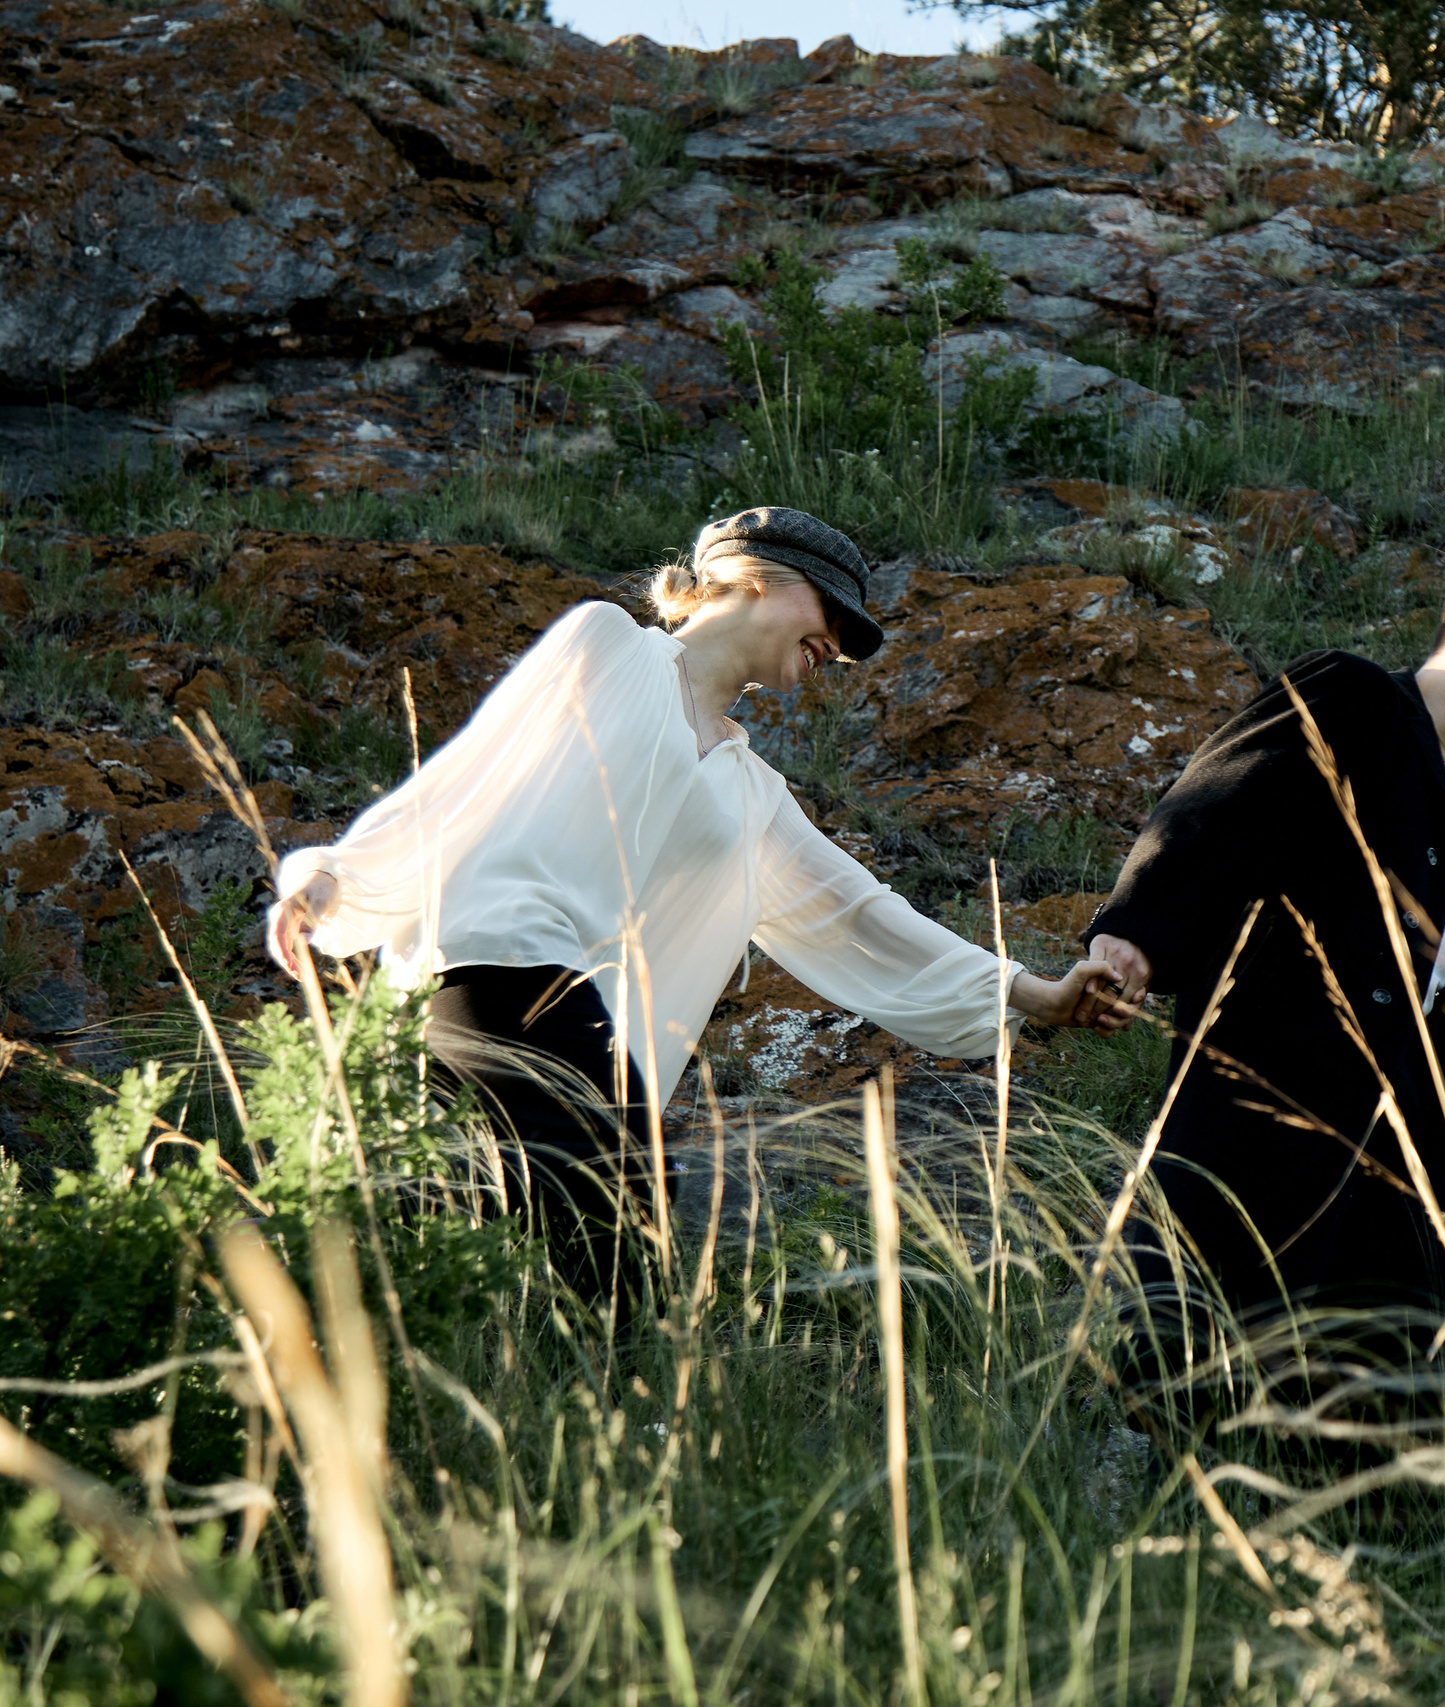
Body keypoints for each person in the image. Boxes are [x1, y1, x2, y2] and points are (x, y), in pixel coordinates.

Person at [266, 507, 1127, 1299]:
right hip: (493, 967)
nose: (841, 644)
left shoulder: (752, 793)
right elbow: (466, 773)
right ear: (760, 579)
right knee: (602, 1233)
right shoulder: (607, 645)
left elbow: (860, 913)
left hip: (594, 1037)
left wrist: (1032, 992)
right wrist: (332, 874)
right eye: (831, 613)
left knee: (549, 1257)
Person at [1082, 544, 1445, 1437]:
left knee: (1429, 1410)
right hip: (1267, 1106)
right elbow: (1210, 809)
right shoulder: (1355, 698)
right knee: (1191, 1373)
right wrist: (1132, 932)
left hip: (1400, 1167)